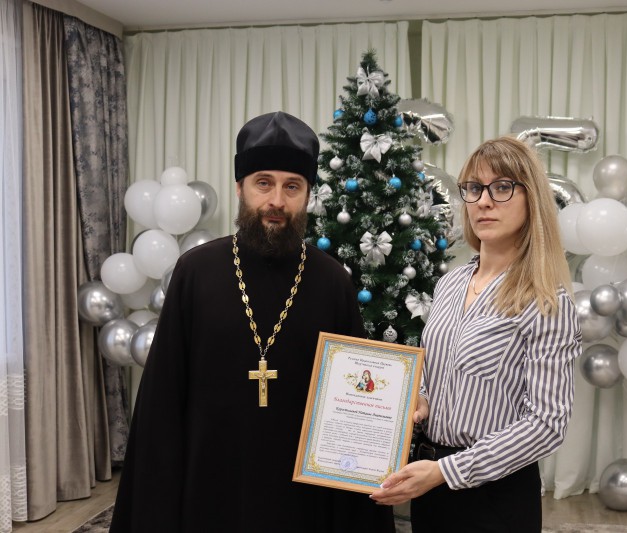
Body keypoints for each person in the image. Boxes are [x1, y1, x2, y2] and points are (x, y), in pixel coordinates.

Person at [111, 112, 395, 532]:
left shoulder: (332, 281)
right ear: (240, 187)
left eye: (292, 186)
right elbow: (162, 402)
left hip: (304, 499)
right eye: (264, 183)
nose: (277, 200)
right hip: (208, 488)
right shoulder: (196, 272)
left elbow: (356, 405)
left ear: (308, 194)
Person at [370, 136, 582, 532]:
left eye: (501, 188)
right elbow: (437, 374)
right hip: (429, 483)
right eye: (473, 188)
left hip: (494, 495)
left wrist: (447, 471)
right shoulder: (449, 284)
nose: (483, 201)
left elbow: (547, 424)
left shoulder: (546, 301)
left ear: (532, 199)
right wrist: (422, 399)